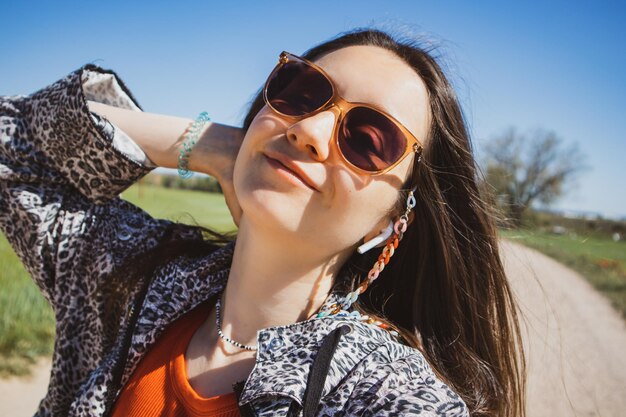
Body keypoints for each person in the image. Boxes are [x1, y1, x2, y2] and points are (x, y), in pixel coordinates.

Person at [0, 27, 526, 417]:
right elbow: (11, 145)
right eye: (302, 92)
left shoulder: (385, 393)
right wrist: (207, 144)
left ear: (389, 224)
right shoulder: (132, 276)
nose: (310, 132)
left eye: (368, 140)